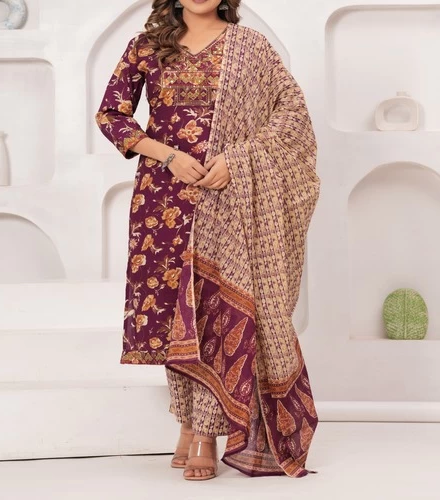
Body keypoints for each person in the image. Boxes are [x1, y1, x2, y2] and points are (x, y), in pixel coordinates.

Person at [96, 0, 321, 482]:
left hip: (229, 197)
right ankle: (187, 422)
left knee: (216, 311)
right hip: (163, 199)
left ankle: (206, 433)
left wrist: (238, 161)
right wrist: (168, 155)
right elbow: (112, 115)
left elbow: (290, 115)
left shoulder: (251, 47)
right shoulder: (146, 46)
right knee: (176, 314)